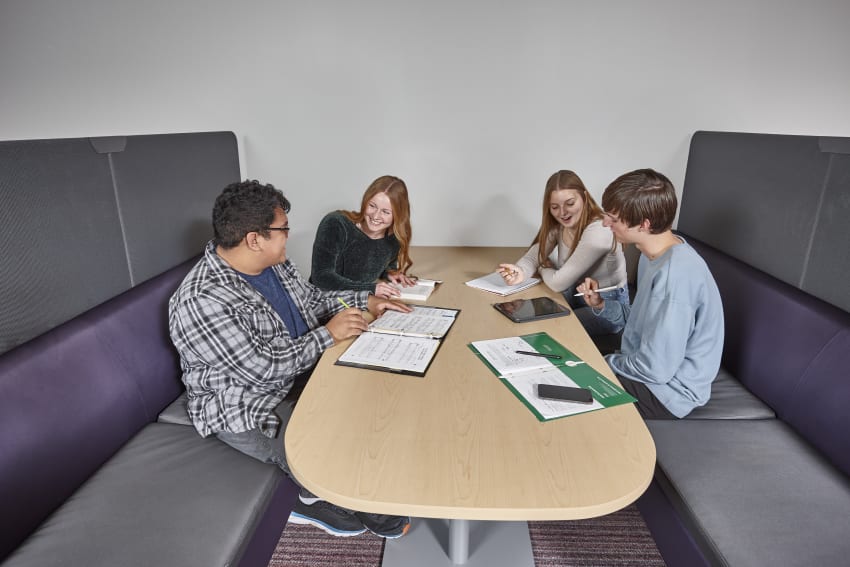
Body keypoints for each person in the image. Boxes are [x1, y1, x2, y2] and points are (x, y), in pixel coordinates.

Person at [168, 180, 414, 538]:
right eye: (282, 229)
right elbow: (264, 369)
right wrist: (328, 334)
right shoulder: (202, 299)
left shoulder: (273, 263)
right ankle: (308, 497)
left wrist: (366, 301)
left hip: (303, 372)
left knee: (378, 409)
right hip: (249, 404)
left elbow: (312, 299)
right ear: (255, 239)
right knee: (340, 464)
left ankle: (332, 486)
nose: (288, 235)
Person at [577, 169, 724, 419]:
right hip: (645, 370)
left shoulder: (675, 275)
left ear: (644, 224)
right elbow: (641, 324)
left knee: (565, 387)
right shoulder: (655, 253)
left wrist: (603, 362)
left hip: (666, 393)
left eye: (613, 219)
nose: (605, 224)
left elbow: (656, 369)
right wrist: (601, 304)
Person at [498, 170, 628, 335]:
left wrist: (542, 267)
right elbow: (535, 255)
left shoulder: (599, 230)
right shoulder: (560, 225)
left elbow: (558, 282)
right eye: (555, 207)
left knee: (548, 327)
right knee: (519, 315)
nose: (562, 212)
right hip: (575, 295)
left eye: (570, 203)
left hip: (606, 306)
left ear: (585, 197)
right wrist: (520, 272)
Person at [311, 175, 416, 298]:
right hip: (324, 301)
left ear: (398, 216)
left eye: (385, 212)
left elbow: (383, 264)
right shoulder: (336, 224)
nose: (376, 216)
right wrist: (370, 289)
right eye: (372, 206)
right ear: (365, 202)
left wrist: (389, 273)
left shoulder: (395, 238)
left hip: (360, 302)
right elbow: (321, 276)